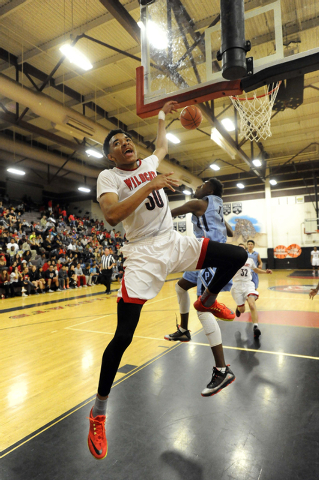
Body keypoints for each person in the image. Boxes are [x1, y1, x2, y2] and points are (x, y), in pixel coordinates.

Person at [87, 100, 247, 460]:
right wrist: (151, 184)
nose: (125, 142)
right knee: (123, 336)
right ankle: (98, 413)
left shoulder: (147, 162)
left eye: (127, 138)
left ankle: (205, 300)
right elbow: (112, 215)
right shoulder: (109, 178)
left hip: (173, 242)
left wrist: (163, 115)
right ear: (111, 157)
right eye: (117, 142)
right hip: (142, 254)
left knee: (237, 256)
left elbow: (161, 145)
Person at [164, 178, 235, 396]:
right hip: (201, 256)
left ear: (210, 190)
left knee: (203, 310)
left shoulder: (198, 204)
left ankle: (222, 370)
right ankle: (184, 331)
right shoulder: (216, 207)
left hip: (209, 259)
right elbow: (230, 233)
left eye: (202, 184)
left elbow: (167, 214)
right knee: (180, 286)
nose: (197, 187)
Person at [231, 243, 272, 338]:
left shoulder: (250, 260)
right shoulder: (232, 260)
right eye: (239, 249)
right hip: (237, 286)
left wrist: (265, 272)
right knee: (242, 310)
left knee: (252, 304)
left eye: (243, 249)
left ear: (245, 251)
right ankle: (238, 308)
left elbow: (256, 270)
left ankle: (255, 327)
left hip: (248, 284)